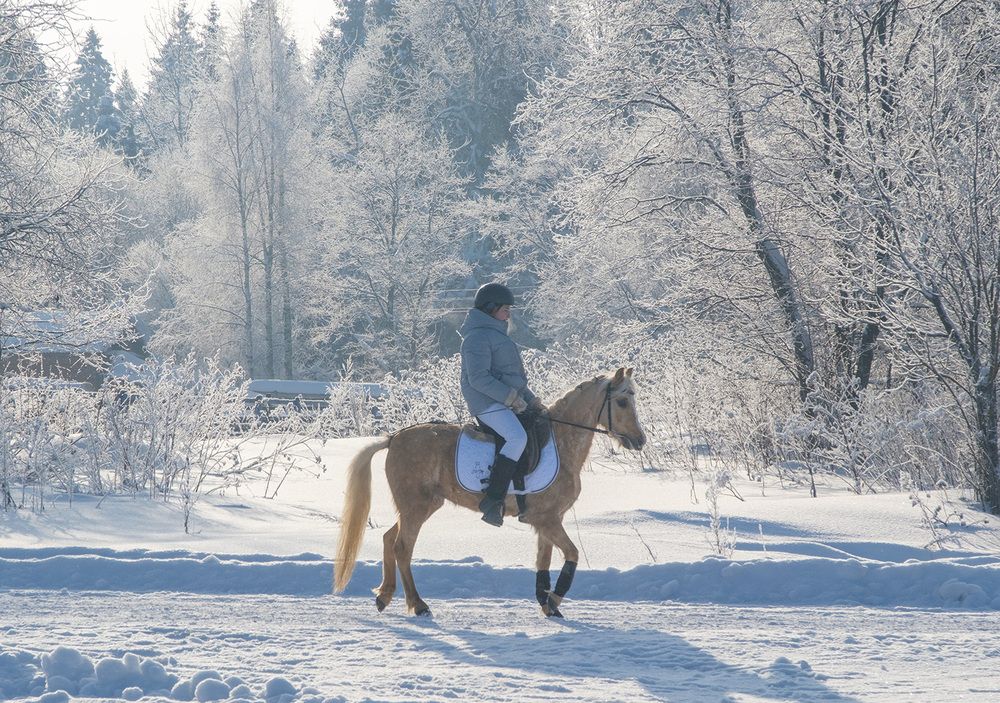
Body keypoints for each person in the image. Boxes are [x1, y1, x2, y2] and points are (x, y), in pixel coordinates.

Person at [459, 282, 544, 526]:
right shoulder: (476, 338)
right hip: (486, 402)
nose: (509, 313)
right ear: (491, 308)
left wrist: (530, 400)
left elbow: (512, 379)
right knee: (517, 438)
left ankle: (524, 498)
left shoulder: (497, 335)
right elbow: (478, 379)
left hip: (505, 400)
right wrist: (511, 398)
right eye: (505, 308)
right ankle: (493, 500)